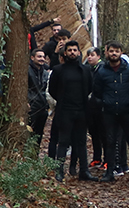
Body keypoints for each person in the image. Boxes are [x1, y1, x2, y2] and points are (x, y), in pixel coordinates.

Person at [92, 42, 129, 181]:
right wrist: (105, 102)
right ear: (107, 53)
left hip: (127, 111)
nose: (114, 53)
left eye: (117, 51)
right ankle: (110, 172)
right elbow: (97, 90)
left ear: (121, 52)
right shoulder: (102, 71)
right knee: (110, 141)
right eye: (112, 51)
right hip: (109, 112)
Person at [48, 39, 93, 181]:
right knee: (63, 141)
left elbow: (90, 88)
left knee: (81, 142)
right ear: (65, 53)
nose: (72, 53)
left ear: (79, 53)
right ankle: (59, 171)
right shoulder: (58, 70)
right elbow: (52, 89)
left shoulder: (85, 70)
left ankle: (84, 171)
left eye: (75, 50)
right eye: (70, 50)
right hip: (65, 111)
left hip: (81, 110)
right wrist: (61, 101)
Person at [83, 47, 106, 171]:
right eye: (88, 55)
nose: (90, 57)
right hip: (90, 107)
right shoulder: (87, 69)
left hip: (100, 107)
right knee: (94, 133)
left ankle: (107, 159)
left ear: (98, 56)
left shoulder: (102, 69)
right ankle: (97, 157)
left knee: (104, 134)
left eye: (92, 55)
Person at [27, 49, 52, 148]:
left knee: (39, 133)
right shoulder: (27, 71)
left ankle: (35, 154)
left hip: (43, 106)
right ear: (32, 58)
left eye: (43, 57)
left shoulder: (46, 73)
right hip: (32, 105)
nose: (42, 59)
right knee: (29, 131)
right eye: (39, 56)